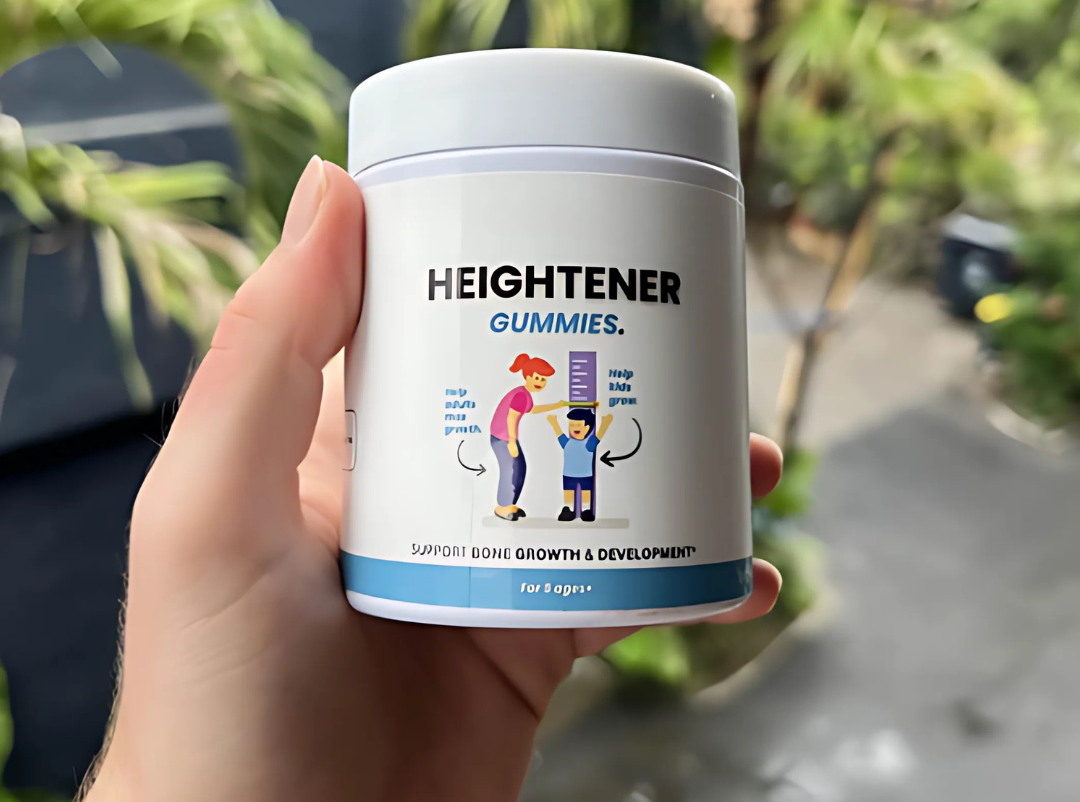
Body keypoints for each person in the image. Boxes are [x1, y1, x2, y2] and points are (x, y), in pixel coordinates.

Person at [78, 157, 784, 802]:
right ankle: (515, 510)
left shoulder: (535, 394)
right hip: (470, 497)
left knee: (547, 480)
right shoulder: (514, 397)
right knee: (518, 475)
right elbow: (517, 420)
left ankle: (527, 510)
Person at [489, 353, 568, 521]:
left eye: (543, 379)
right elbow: (511, 418)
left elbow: (533, 409)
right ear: (528, 376)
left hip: (504, 437)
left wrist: (557, 405)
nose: (540, 382)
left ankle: (509, 504)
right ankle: (503, 507)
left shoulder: (524, 394)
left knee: (518, 468)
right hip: (503, 438)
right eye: (537, 378)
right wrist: (512, 441)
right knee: (511, 470)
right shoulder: (520, 395)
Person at [547, 406, 611, 521]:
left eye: (578, 425)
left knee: (586, 493)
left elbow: (598, 436)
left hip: (585, 475)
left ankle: (586, 510)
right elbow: (559, 435)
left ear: (587, 427)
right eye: (572, 425)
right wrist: (554, 422)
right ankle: (568, 509)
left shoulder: (589, 444)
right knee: (568, 493)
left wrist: (605, 424)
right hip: (568, 474)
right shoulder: (567, 443)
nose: (574, 428)